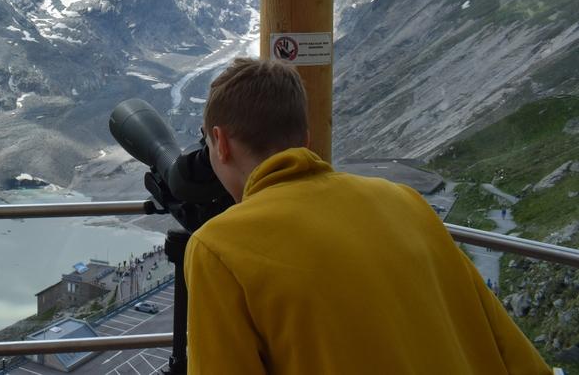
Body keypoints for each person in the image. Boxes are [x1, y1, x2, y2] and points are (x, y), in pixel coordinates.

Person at [184, 57, 549, 374]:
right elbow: (517, 357)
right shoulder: (406, 201)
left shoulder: (218, 247)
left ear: (222, 142)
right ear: (306, 139)